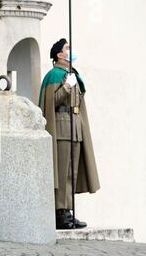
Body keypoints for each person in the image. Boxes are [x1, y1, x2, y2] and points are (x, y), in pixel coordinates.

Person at [39, 38, 100, 230]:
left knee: (71, 172)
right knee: (62, 170)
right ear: (59, 54)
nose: (70, 51)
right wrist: (66, 87)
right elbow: (52, 102)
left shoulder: (72, 74)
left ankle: (68, 210)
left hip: (75, 127)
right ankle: (60, 211)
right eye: (67, 48)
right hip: (62, 127)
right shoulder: (55, 75)